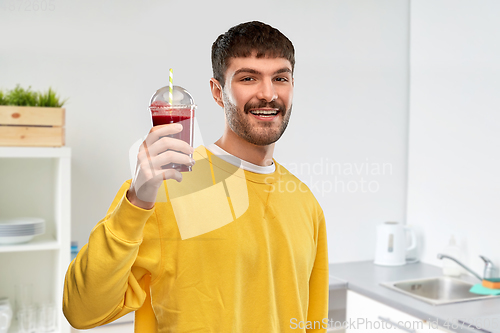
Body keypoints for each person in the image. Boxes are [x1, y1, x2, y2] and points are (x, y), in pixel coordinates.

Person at [63, 21, 329, 333]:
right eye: (248, 78)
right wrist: (137, 200)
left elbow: (314, 323)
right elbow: (81, 311)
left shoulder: (305, 202)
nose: (268, 94)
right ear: (218, 92)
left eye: (280, 78)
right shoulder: (163, 188)